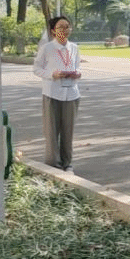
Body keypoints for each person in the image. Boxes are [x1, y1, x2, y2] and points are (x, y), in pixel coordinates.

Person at [32, 16, 82, 171]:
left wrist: (77, 73)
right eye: (61, 27)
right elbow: (36, 69)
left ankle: (67, 163)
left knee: (68, 131)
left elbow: (77, 66)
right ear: (53, 31)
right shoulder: (46, 48)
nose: (65, 30)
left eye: (67, 26)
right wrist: (52, 74)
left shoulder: (74, 47)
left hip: (72, 94)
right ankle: (53, 163)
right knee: (52, 131)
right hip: (52, 93)